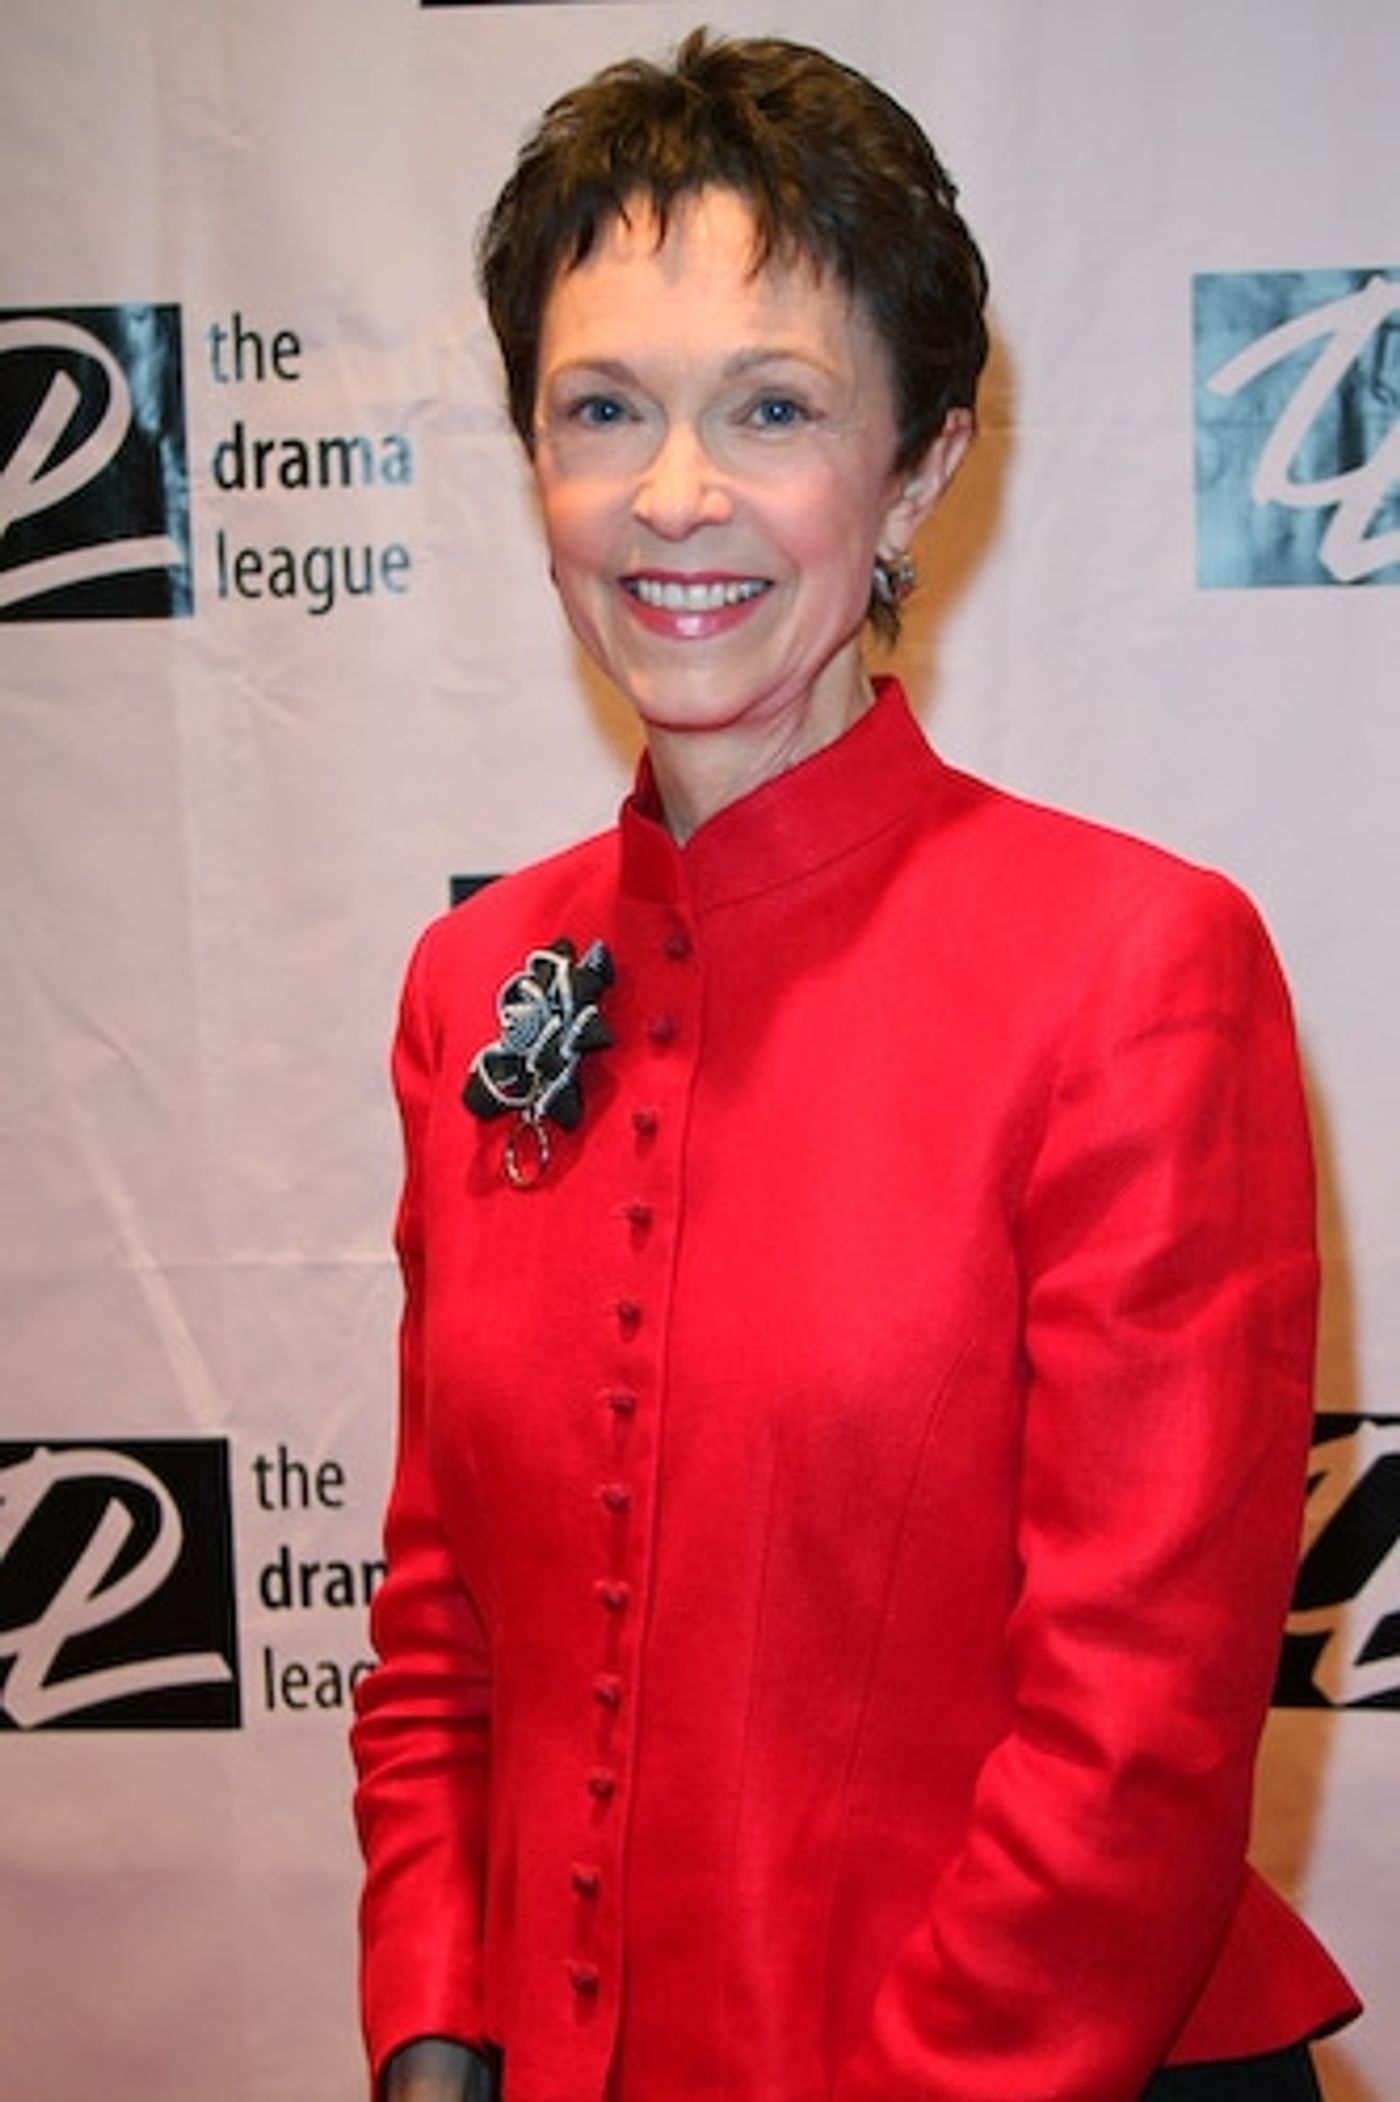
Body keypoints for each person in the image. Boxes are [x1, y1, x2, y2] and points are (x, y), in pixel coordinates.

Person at [351, 29, 1359, 2102]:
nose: (675, 494)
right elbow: (447, 1620)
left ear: (916, 470)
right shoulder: (474, 984)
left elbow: (1134, 1737)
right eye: (603, 409)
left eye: (774, 408)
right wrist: (434, 2029)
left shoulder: (1133, 967)